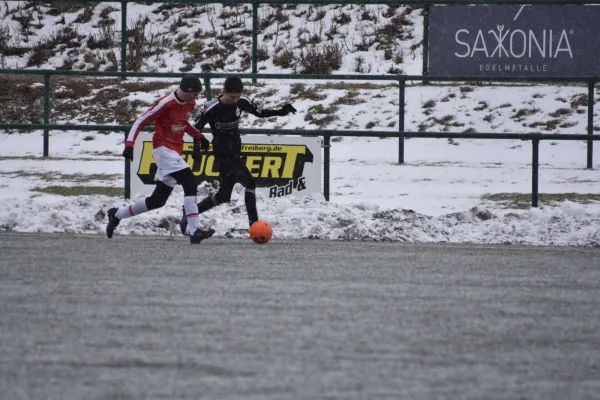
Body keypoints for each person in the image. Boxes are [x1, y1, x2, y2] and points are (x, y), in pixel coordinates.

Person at [179, 75, 296, 235]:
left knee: (223, 196)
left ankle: (190, 211)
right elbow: (196, 128)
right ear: (224, 92)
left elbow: (259, 112)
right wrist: (196, 148)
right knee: (250, 181)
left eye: (237, 96)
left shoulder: (242, 102)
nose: (235, 100)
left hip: (235, 147)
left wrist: (281, 112)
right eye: (232, 96)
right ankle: (254, 225)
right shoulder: (211, 107)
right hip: (221, 150)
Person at [106, 74, 215, 244]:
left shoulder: (190, 102)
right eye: (195, 94)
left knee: (157, 201)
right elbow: (141, 120)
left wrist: (198, 136)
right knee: (190, 182)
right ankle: (194, 231)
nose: (196, 98)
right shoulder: (166, 103)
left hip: (175, 151)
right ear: (187, 91)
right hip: (163, 148)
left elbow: (183, 123)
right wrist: (129, 144)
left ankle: (117, 214)